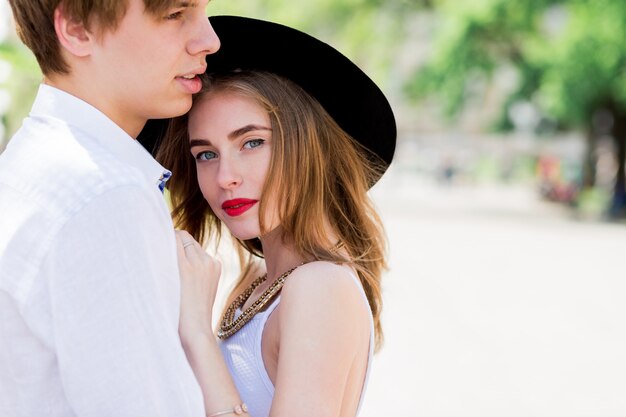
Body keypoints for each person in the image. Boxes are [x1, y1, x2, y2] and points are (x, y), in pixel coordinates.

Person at [154, 15, 396, 417]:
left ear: (307, 144)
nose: (225, 178)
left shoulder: (319, 286)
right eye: (206, 154)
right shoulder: (257, 283)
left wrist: (197, 332)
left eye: (251, 142)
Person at [0, 2, 220, 416]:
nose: (210, 40)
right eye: (176, 14)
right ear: (78, 29)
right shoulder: (104, 194)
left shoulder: (29, 164)